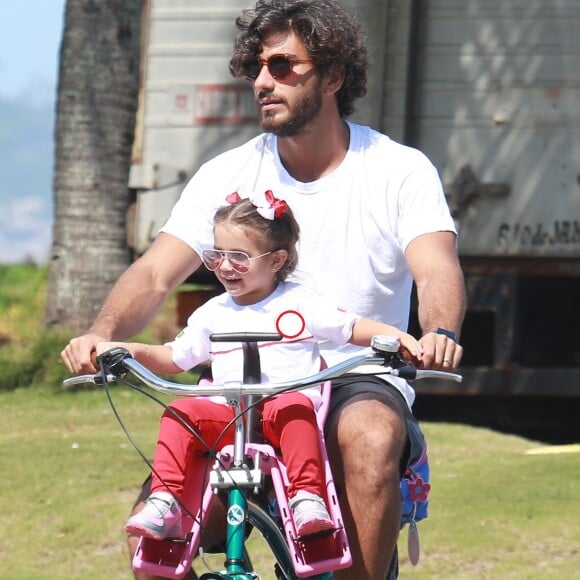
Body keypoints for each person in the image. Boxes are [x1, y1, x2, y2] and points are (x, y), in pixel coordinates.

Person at [61, 1, 466, 578]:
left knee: (370, 440)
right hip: (242, 385)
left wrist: (439, 332)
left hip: (354, 374)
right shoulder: (227, 172)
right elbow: (156, 273)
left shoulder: (398, 169)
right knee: (151, 538)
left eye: (282, 66)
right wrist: (101, 336)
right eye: (256, 67)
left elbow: (436, 266)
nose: (262, 81)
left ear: (333, 77)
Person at [97, 194, 423, 541]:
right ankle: (166, 501)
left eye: (238, 256)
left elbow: (352, 327)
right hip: (230, 419)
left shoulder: (300, 302)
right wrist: (130, 351)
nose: (224, 266)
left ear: (276, 260)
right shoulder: (213, 312)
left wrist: (397, 338)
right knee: (180, 413)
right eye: (216, 255)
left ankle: (306, 498)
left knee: (292, 404)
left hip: (284, 417)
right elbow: (176, 357)